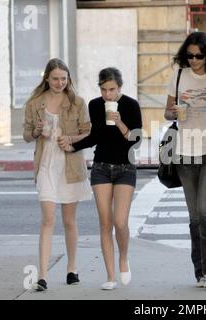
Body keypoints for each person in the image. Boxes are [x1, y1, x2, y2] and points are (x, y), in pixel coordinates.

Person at [59, 67, 142, 290]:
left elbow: (136, 140)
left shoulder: (131, 105)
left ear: (120, 88)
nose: (108, 95)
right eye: (104, 90)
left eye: (112, 90)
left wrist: (120, 122)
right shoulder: (95, 105)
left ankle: (123, 259)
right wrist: (72, 146)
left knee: (120, 222)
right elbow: (94, 137)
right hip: (101, 168)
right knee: (105, 223)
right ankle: (110, 276)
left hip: (125, 167)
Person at [23, 58, 92, 291]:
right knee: (48, 219)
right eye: (55, 78)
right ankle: (42, 275)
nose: (60, 82)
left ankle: (71, 269)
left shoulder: (77, 102)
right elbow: (26, 134)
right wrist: (36, 131)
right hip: (46, 166)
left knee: (69, 221)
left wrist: (70, 139)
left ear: (68, 79)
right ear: (47, 78)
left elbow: (88, 132)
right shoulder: (35, 103)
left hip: (70, 166)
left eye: (64, 78)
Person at [164, 31, 206, 288]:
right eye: (189, 56)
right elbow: (167, 112)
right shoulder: (178, 75)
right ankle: (200, 272)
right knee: (193, 216)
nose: (194, 61)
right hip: (184, 153)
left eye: (199, 56)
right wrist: (174, 113)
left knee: (203, 210)